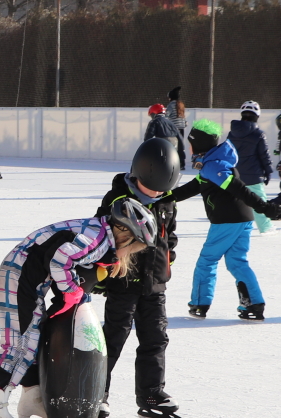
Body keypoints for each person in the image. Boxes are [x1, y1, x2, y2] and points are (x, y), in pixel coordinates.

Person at [0, 199, 157, 418]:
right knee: (21, 341)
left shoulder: (98, 231)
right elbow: (60, 259)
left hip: (27, 275)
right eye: (132, 249)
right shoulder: (97, 239)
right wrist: (72, 291)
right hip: (19, 273)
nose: (128, 255)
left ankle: (32, 397)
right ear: (125, 237)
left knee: (35, 333)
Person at [92, 138, 183, 418]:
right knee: (113, 339)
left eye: (162, 189)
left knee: (155, 339)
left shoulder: (166, 201)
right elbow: (99, 235)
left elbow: (170, 236)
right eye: (151, 187)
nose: (156, 193)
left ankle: (151, 394)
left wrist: (167, 261)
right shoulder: (118, 200)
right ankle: (96, 394)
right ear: (138, 172)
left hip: (155, 284)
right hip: (124, 282)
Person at [164, 119, 281, 321]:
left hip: (227, 221)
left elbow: (239, 189)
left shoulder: (214, 167)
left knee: (207, 261)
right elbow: (192, 188)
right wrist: (163, 198)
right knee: (237, 262)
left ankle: (199, 304)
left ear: (199, 144)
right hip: (242, 219)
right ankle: (254, 304)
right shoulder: (213, 163)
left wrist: (265, 208)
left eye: (191, 142)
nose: (190, 147)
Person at [227, 101, 275, 235]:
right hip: (253, 175)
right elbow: (264, 155)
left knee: (236, 203)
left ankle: (233, 229)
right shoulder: (258, 134)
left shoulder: (232, 133)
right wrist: (268, 171)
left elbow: (227, 152)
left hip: (235, 175)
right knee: (259, 201)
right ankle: (266, 228)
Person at [165, 86, 189, 170]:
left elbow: (167, 116)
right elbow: (183, 117)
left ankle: (173, 163)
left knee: (173, 146)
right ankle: (182, 164)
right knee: (181, 146)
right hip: (181, 128)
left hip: (174, 128)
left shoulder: (171, 105)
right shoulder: (181, 105)